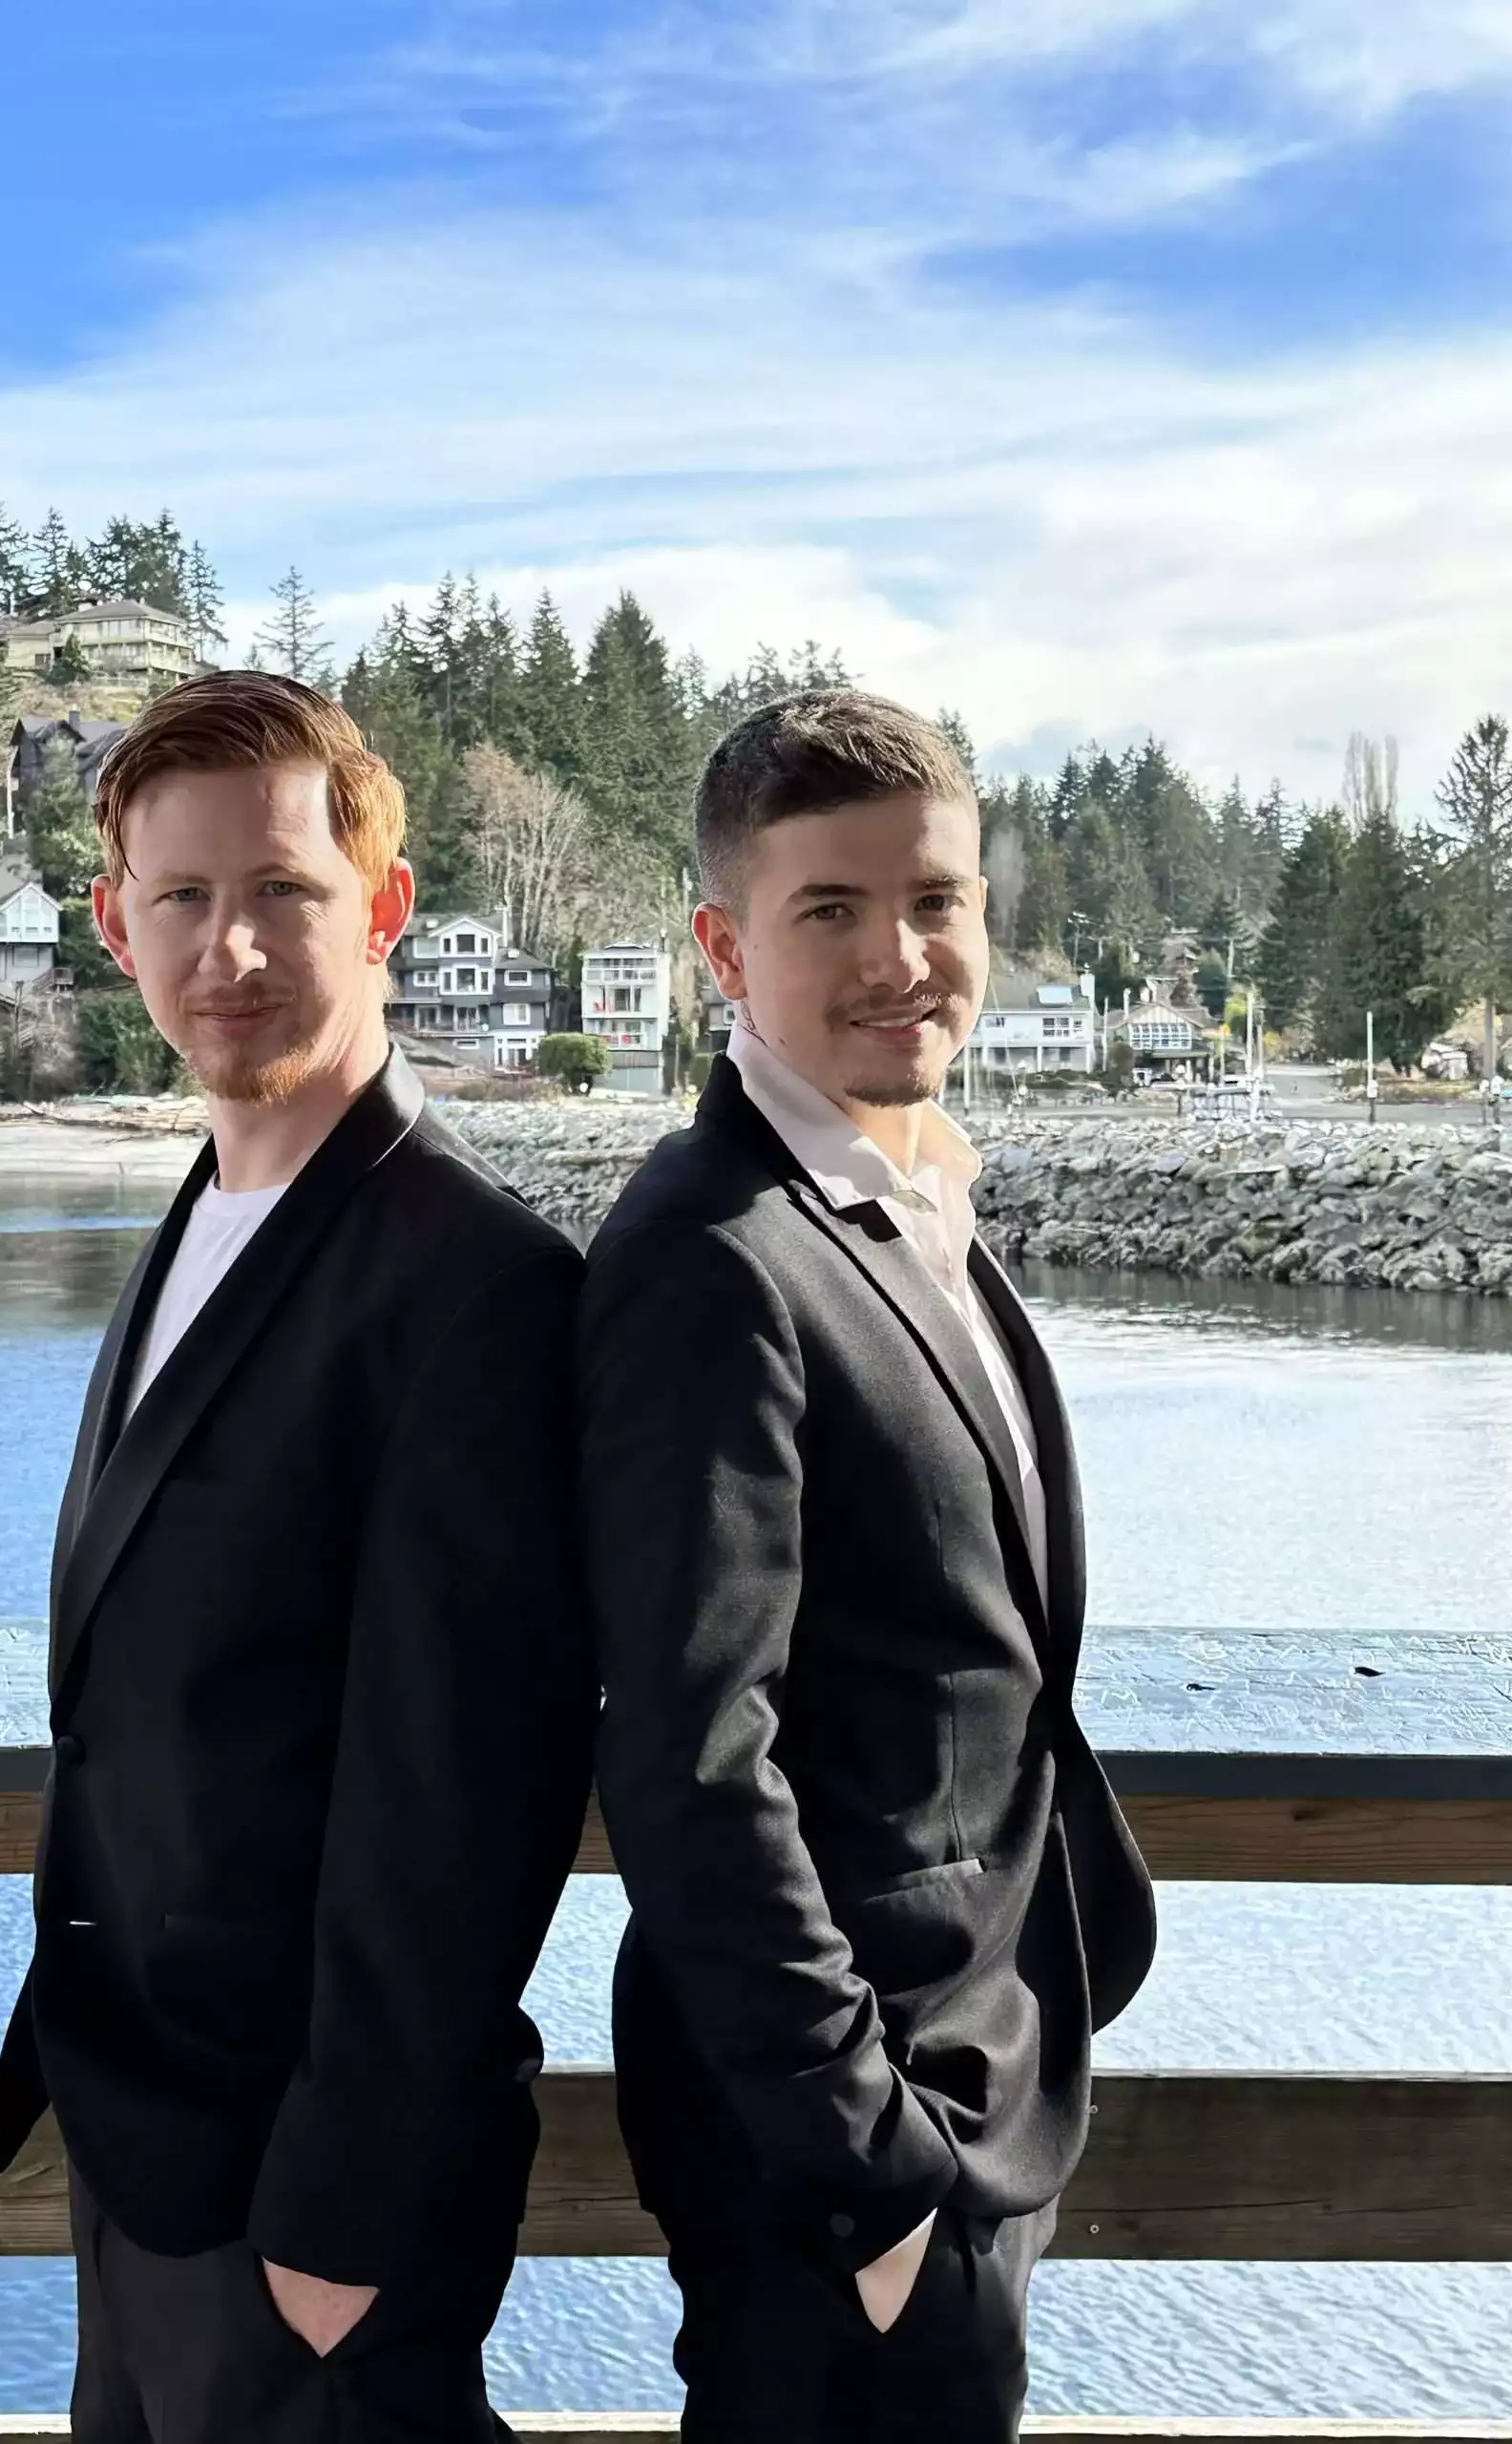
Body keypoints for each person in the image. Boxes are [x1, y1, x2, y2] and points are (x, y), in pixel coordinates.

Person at [0, 672, 596, 2443]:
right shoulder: (200, 1217)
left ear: (384, 907)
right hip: (141, 2137)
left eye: (282, 892)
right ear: (116, 926)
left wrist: (339, 2220)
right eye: (181, 899)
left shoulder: (479, 1292)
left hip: (316, 2208)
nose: (228, 948)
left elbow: (469, 1807)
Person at [578, 690, 1158, 2442]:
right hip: (844, 2154)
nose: (900, 956)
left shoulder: (904, 1202)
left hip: (973, 2084)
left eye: (936, 901)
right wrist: (876, 2179)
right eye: (828, 910)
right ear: (721, 946)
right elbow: (691, 1757)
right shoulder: (713, 1256)